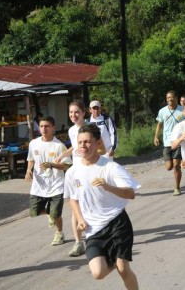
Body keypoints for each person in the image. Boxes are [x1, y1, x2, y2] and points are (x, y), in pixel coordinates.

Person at [64, 124, 140, 290]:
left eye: (88, 142)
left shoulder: (110, 167)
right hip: (93, 228)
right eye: (80, 142)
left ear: (98, 143)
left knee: (123, 269)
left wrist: (108, 187)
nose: (83, 146)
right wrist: (80, 219)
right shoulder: (72, 172)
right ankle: (115, 259)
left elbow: (130, 194)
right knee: (98, 273)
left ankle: (121, 264)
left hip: (117, 223)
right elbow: (73, 199)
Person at [25, 116, 71, 247]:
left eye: (47, 126)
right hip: (39, 185)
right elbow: (31, 159)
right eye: (41, 126)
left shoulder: (59, 146)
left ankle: (59, 233)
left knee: (56, 213)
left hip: (56, 184)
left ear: (53, 128)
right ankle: (49, 214)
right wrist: (29, 170)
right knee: (34, 212)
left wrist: (52, 165)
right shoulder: (34, 143)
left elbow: (66, 165)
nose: (44, 129)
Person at [55, 100, 89, 257]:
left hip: (89, 170)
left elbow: (99, 148)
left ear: (83, 112)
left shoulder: (90, 129)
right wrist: (62, 155)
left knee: (89, 205)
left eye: (76, 112)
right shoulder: (72, 130)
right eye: (71, 112)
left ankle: (92, 238)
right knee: (75, 206)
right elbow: (75, 148)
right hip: (75, 172)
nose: (73, 115)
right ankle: (78, 242)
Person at [154, 90, 185, 196]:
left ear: (176, 98)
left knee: (176, 165)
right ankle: (172, 163)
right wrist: (156, 137)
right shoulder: (162, 111)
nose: (170, 99)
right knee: (169, 167)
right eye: (168, 98)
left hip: (179, 141)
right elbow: (159, 124)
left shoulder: (182, 110)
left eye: (172, 97)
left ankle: (177, 188)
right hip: (167, 142)